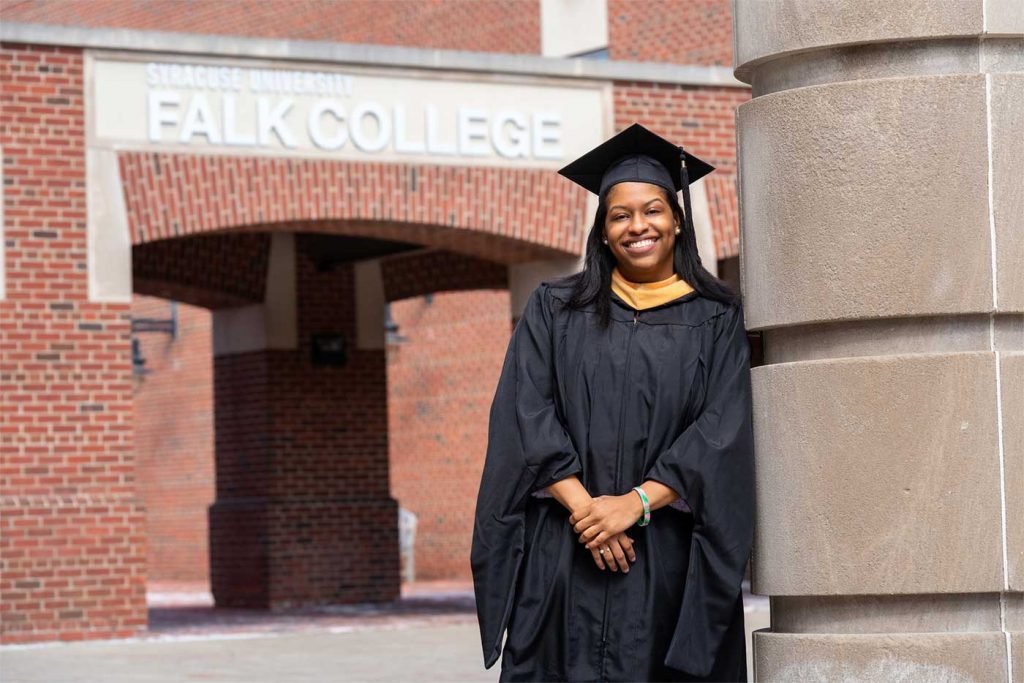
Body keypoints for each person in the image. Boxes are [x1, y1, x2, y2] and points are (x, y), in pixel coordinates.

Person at [470, 123, 754, 682]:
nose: (637, 226)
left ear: (676, 221)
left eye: (652, 211)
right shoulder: (556, 309)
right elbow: (526, 415)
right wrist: (589, 513)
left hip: (665, 554)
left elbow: (721, 429)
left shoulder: (716, 317)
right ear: (602, 232)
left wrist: (634, 505)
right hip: (565, 554)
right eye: (619, 215)